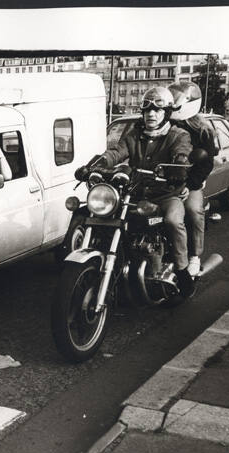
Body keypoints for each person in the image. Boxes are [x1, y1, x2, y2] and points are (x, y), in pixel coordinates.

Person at [77, 86, 194, 296]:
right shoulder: (135, 134)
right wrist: (95, 165)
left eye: (157, 110)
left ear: (167, 113)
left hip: (165, 194)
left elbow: (182, 154)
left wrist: (178, 167)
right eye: (147, 109)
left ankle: (182, 270)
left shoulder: (178, 135)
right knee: (106, 216)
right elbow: (116, 152)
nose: (151, 114)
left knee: (173, 221)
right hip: (136, 193)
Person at [168, 80, 219, 277]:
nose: (173, 101)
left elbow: (206, 163)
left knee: (193, 210)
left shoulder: (203, 130)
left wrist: (190, 185)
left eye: (177, 98)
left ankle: (194, 256)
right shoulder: (164, 122)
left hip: (190, 181)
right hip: (161, 180)